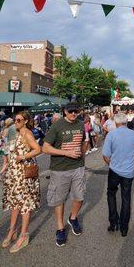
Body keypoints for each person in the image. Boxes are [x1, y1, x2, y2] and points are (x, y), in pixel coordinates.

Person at [42, 102, 89, 247]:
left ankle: (73, 218)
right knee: (59, 199)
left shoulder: (81, 124)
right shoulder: (57, 126)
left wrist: (82, 156)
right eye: (71, 111)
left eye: (76, 111)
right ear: (65, 111)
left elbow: (83, 142)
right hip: (60, 169)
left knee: (80, 197)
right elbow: (45, 148)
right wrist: (66, 153)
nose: (73, 114)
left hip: (78, 167)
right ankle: (60, 228)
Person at [2, 111, 41, 252]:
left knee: (24, 204)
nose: (15, 122)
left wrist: (23, 156)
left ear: (25, 121)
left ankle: (23, 235)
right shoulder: (17, 133)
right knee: (14, 202)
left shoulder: (27, 133)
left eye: (18, 120)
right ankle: (12, 230)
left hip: (23, 174)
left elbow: (38, 149)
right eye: (15, 120)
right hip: (14, 174)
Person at [102, 113, 134, 236]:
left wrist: (111, 164)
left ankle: (113, 222)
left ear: (116, 122)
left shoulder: (111, 134)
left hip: (114, 170)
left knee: (111, 194)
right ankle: (124, 227)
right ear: (125, 122)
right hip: (128, 171)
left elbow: (106, 155)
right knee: (126, 198)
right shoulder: (133, 134)